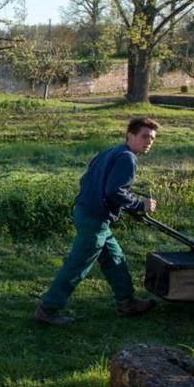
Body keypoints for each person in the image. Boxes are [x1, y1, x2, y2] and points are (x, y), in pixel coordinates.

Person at [35, 117, 160, 325]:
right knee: (77, 265)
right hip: (94, 219)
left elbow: (89, 181)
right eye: (144, 136)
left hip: (87, 213)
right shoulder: (127, 158)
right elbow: (114, 190)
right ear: (130, 136)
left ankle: (126, 302)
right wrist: (139, 205)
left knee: (114, 258)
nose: (149, 141)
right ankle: (48, 309)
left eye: (153, 138)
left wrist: (123, 206)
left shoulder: (111, 152)